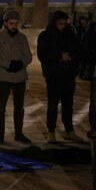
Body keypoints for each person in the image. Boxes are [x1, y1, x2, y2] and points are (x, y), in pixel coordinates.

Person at [37, 11, 83, 143]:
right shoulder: (45, 35)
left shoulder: (71, 35)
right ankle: (51, 131)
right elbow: (42, 55)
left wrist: (71, 57)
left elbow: (78, 51)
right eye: (60, 24)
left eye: (64, 23)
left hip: (68, 74)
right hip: (53, 75)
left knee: (68, 104)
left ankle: (69, 130)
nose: (62, 26)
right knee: (53, 103)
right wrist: (59, 56)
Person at [0, 10, 33, 144]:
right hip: (4, 77)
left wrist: (20, 64)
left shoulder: (22, 37)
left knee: (19, 107)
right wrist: (8, 65)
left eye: (16, 23)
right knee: (1, 108)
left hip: (20, 77)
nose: (14, 26)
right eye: (11, 23)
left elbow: (28, 56)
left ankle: (18, 134)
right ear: (5, 23)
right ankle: (0, 135)